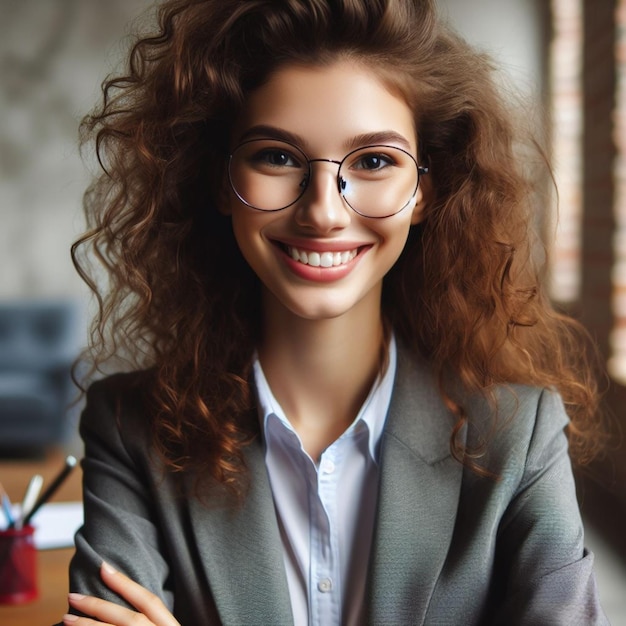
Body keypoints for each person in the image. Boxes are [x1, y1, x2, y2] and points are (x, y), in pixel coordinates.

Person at [61, 0, 608, 624]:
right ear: (219, 180)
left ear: (424, 190)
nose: (323, 211)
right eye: (278, 156)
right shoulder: (132, 428)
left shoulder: (519, 434)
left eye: (375, 161)